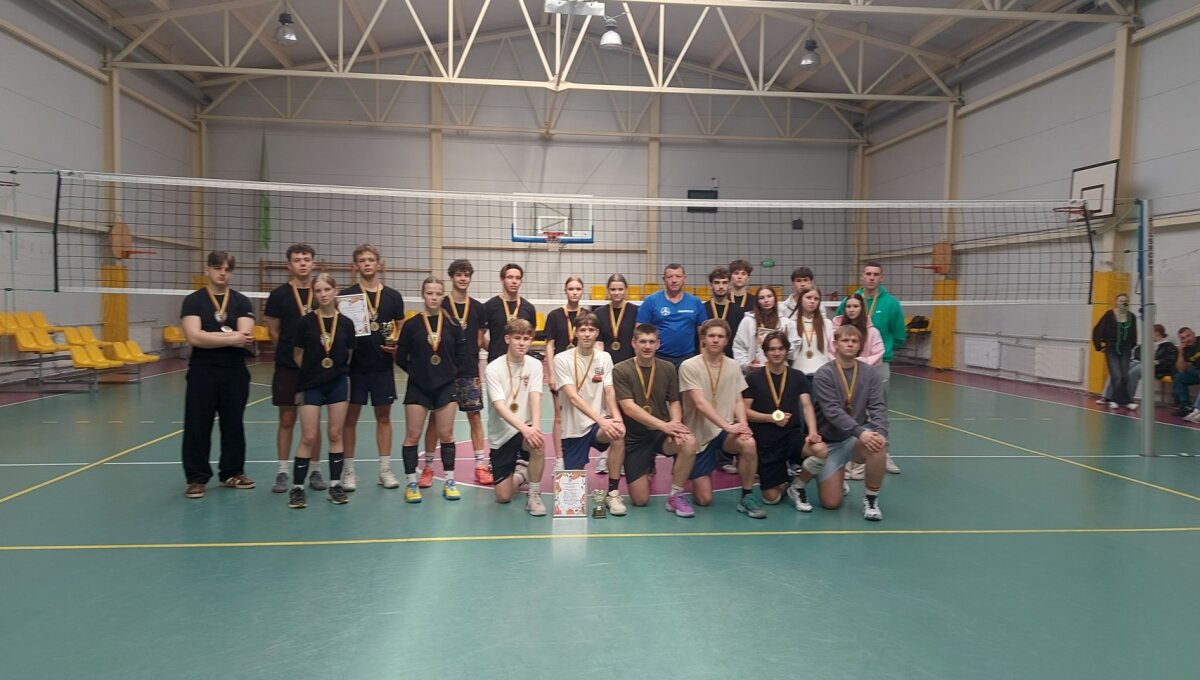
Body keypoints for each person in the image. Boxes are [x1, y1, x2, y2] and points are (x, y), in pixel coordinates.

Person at [180, 251, 256, 499]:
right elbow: (194, 337)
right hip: (202, 371)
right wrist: (230, 337)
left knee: (233, 423)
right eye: (217, 267)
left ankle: (232, 472)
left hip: (234, 371)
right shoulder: (193, 301)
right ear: (207, 270)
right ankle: (196, 478)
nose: (222, 273)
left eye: (227, 269)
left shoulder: (242, 302)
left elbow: (244, 337)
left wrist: (210, 336)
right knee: (197, 424)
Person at [679, 319, 764, 517]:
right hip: (700, 435)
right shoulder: (689, 366)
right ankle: (690, 470)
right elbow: (700, 403)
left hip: (725, 432)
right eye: (711, 336)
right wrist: (729, 426)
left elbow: (738, 399)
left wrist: (743, 424)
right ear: (703, 339)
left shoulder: (733, 366)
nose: (716, 340)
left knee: (749, 444)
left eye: (720, 336)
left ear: (727, 340)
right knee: (704, 500)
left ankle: (746, 496)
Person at [612, 324, 699, 516]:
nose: (647, 346)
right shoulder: (621, 369)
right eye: (643, 341)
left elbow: (674, 401)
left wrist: (675, 424)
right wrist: (664, 425)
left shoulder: (667, 368)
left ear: (658, 344)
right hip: (635, 438)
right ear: (633, 343)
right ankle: (644, 468)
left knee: (688, 442)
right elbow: (628, 407)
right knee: (640, 501)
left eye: (651, 342)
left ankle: (675, 496)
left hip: (660, 433)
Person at [396, 276, 469, 503]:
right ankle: (411, 483)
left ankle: (449, 482)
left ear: (443, 296)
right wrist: (418, 373)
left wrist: (447, 373)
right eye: (429, 293)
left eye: (438, 294)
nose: (434, 298)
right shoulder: (411, 325)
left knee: (446, 435)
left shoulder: (452, 325)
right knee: (412, 436)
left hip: (445, 387)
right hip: (418, 387)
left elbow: (461, 356)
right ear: (423, 295)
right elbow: (400, 357)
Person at [287, 273, 357, 509]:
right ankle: (297, 488)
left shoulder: (346, 323)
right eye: (318, 290)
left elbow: (348, 354)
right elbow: (298, 355)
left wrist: (333, 372)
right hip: (311, 384)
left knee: (335, 434)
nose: (323, 294)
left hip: (338, 383)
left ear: (335, 291)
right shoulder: (304, 323)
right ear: (314, 294)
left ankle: (335, 485)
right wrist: (315, 372)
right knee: (308, 436)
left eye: (327, 289)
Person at [339, 244, 405, 491]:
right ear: (355, 265)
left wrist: (396, 343)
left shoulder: (393, 296)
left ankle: (385, 470)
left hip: (382, 366)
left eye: (371, 259)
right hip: (354, 367)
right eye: (362, 260)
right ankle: (348, 471)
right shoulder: (346, 296)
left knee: (384, 418)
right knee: (350, 419)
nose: (367, 264)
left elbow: (400, 325)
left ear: (379, 263)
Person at [810, 325, 889, 521]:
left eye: (854, 341)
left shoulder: (870, 373)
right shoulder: (824, 374)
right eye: (845, 340)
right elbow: (832, 412)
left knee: (878, 445)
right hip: (830, 443)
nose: (850, 344)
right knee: (831, 503)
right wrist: (860, 432)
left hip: (855, 439)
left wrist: (880, 432)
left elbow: (878, 407)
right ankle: (837, 476)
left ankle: (871, 500)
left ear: (860, 345)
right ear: (835, 344)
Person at [742, 331, 828, 511]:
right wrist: (771, 418)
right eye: (772, 349)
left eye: (781, 349)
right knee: (771, 498)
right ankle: (784, 480)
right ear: (765, 352)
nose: (776, 353)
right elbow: (745, 412)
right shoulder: (753, 378)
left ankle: (798, 486)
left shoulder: (797, 376)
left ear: (787, 350)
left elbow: (807, 406)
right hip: (766, 442)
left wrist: (813, 432)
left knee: (820, 450)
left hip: (791, 436)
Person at [553, 312, 627, 516]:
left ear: (597, 333)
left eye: (591, 330)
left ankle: (612, 493)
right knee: (572, 498)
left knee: (618, 434)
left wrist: (617, 418)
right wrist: (602, 420)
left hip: (597, 426)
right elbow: (572, 397)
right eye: (583, 330)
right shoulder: (562, 359)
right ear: (576, 332)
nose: (587, 334)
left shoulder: (604, 357)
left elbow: (609, 390)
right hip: (574, 429)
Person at [263, 243, 323, 493]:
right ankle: (282, 472)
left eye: (306, 259)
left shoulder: (322, 292)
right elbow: (272, 331)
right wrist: (292, 354)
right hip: (288, 366)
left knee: (313, 422)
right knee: (287, 419)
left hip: (316, 368)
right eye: (297, 260)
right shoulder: (279, 295)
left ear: (313, 263)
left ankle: (315, 470)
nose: (302, 263)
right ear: (289, 265)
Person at [429, 259, 491, 484]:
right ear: (452, 277)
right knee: (436, 419)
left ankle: (480, 465)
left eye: (466, 274)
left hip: (469, 371)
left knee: (474, 417)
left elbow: (480, 339)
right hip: (445, 372)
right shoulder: (442, 304)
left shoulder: (478, 308)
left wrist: (499, 354)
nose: (463, 278)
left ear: (470, 278)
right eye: (458, 274)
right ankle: (428, 466)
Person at [484, 318, 547, 516]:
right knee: (503, 497)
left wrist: (535, 427)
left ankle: (534, 495)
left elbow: (535, 396)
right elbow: (500, 407)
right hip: (502, 434)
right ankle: (521, 473)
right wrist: (525, 429)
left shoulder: (535, 365)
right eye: (517, 338)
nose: (522, 343)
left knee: (538, 443)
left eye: (526, 339)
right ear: (507, 339)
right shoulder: (493, 368)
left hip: (525, 428)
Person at [831, 293, 889, 479]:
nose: (852, 310)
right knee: (843, 416)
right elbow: (831, 352)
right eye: (848, 306)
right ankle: (845, 464)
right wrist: (843, 365)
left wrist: (859, 363)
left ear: (862, 308)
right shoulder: (836, 329)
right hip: (842, 378)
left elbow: (879, 352)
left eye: (855, 306)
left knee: (868, 417)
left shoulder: (873, 332)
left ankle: (864, 463)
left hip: (864, 378)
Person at [836, 261, 906, 398]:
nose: (872, 278)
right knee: (849, 400)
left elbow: (899, 336)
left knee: (878, 402)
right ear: (862, 276)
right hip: (850, 360)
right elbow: (839, 327)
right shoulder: (849, 301)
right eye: (868, 274)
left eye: (876, 274)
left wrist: (885, 349)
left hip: (879, 362)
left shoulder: (891, 303)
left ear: (881, 278)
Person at [544, 277, 586, 472]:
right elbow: (549, 346)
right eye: (571, 288)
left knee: (583, 416)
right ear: (565, 290)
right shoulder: (554, 315)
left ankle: (579, 458)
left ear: (582, 291)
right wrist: (551, 373)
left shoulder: (587, 315)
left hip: (581, 373)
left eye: (577, 288)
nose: (574, 292)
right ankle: (559, 458)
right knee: (559, 416)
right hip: (561, 372)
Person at [636, 263, 707, 369]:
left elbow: (703, 336)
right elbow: (639, 333)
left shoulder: (695, 302)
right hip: (658, 357)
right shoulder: (651, 301)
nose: (674, 280)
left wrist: (704, 362)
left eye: (678, 276)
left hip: (687, 358)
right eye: (670, 277)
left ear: (684, 278)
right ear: (664, 279)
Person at [1100, 324, 1176, 406]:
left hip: (1156, 366)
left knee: (1133, 373)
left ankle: (1127, 399)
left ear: (1158, 333)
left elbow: (1170, 359)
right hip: (1140, 362)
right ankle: (1108, 396)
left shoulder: (1168, 346)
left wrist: (1157, 361)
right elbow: (1137, 353)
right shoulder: (1147, 343)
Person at [733, 286, 801, 373]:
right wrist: (747, 365)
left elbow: (793, 354)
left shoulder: (786, 323)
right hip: (755, 372)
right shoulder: (748, 322)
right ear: (757, 301)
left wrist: (786, 343)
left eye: (769, 296)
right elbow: (739, 348)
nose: (766, 300)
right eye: (761, 298)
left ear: (775, 299)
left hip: (779, 372)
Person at [1091, 293, 1138, 411]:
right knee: (1117, 376)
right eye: (1120, 300)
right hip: (1111, 348)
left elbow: (1134, 334)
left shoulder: (1131, 317)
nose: (1123, 302)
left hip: (1125, 349)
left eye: (1125, 301)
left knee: (1124, 376)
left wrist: (1130, 346)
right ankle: (1123, 401)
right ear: (1116, 302)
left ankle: (1115, 399)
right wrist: (1099, 346)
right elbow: (1097, 330)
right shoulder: (1109, 315)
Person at [482, 263, 537, 363]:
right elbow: (480, 337)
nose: (514, 281)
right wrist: (493, 350)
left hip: (521, 361)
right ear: (502, 279)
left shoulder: (529, 308)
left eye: (518, 278)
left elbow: (531, 335)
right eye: (510, 277)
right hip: (496, 361)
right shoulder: (489, 306)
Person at [595, 274, 637, 366]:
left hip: (630, 363)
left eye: (620, 289)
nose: (617, 293)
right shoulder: (599, 313)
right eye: (613, 289)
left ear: (626, 289)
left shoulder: (636, 311)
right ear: (607, 290)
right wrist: (600, 365)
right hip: (607, 364)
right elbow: (599, 343)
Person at [704, 266, 745, 359]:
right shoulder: (703, 309)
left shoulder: (739, 312)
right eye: (717, 283)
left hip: (732, 360)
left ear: (730, 285)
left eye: (724, 282)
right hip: (707, 359)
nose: (721, 286)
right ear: (711, 285)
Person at [791, 287, 833, 377]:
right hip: (798, 373)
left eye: (816, 299)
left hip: (822, 374)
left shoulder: (827, 324)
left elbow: (831, 350)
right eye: (808, 297)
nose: (812, 301)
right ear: (800, 299)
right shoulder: (791, 323)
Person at [1172, 327, 1200, 419]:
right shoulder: (1185, 349)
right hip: (1197, 371)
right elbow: (1181, 369)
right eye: (1183, 338)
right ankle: (1186, 406)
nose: (1187, 339)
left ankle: (1197, 410)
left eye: (1188, 336)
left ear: (1194, 334)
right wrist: (1180, 352)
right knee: (1179, 378)